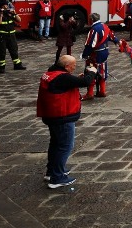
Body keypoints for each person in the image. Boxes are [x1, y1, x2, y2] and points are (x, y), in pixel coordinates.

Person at [37, 55, 94, 188]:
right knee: (65, 146)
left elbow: (66, 84)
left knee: (56, 144)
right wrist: (92, 73)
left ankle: (52, 171)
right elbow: (86, 82)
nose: (75, 68)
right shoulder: (63, 77)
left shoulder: (51, 73)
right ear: (66, 66)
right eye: (73, 65)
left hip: (51, 116)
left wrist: (76, 79)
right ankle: (57, 177)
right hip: (62, 117)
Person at [81, 13, 116, 98]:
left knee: (90, 71)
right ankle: (102, 91)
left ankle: (90, 93)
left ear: (92, 20)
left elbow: (90, 44)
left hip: (95, 54)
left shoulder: (94, 29)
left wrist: (84, 55)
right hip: (105, 53)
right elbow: (112, 37)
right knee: (102, 71)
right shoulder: (105, 26)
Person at [0, 0, 25, 74]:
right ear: (1, 7)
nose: (6, 6)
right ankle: (1, 67)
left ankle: (17, 65)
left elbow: (19, 20)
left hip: (11, 35)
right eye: (4, 5)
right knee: (2, 51)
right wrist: (1, 14)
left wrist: (15, 13)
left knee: (14, 50)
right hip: (2, 36)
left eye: (6, 5)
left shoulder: (9, 13)